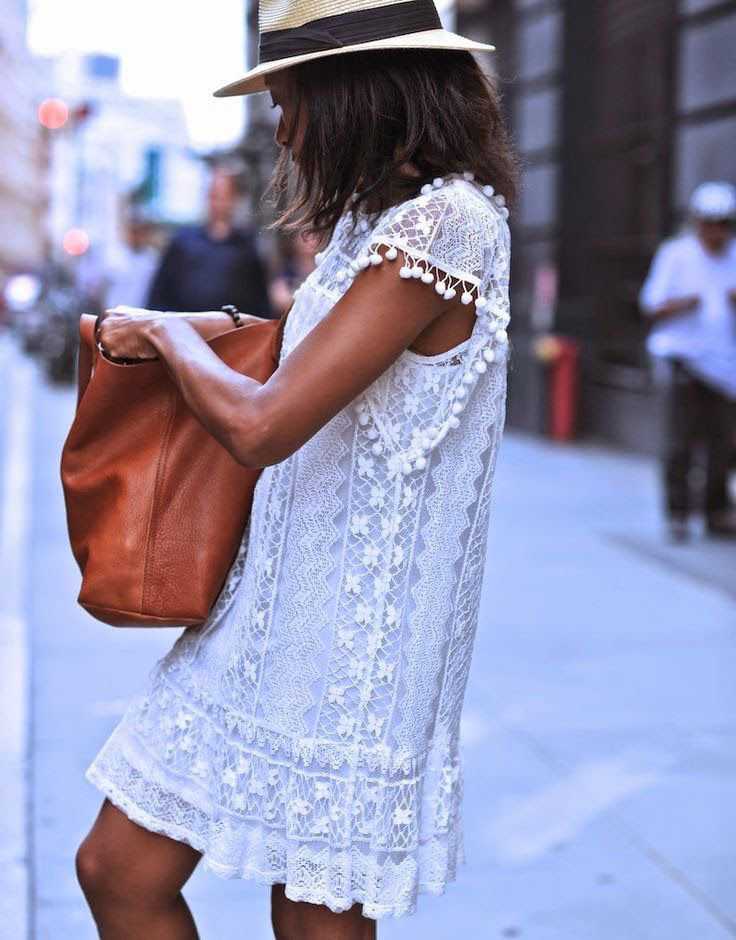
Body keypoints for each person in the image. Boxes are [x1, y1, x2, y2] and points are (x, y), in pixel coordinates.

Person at [75, 2, 516, 937]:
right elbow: (300, 361)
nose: (282, 126)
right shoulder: (375, 225)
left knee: (312, 919)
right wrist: (200, 336)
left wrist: (158, 331)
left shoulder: (449, 227)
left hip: (358, 643)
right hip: (266, 613)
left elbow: (264, 422)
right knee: (117, 869)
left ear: (354, 92)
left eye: (289, 99)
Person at [640, 182, 736, 542]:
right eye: (711, 222)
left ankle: (716, 510)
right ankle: (678, 511)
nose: (717, 231)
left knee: (723, 443)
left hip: (726, 366)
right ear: (698, 222)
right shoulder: (676, 255)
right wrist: (686, 303)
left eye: (724, 223)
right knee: (681, 441)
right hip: (684, 358)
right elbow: (651, 305)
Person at [146, 168, 273, 318]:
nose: (219, 203)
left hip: (232, 333)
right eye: (214, 196)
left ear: (234, 199)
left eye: (225, 196)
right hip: (184, 329)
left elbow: (260, 298)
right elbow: (159, 292)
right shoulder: (183, 241)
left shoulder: (246, 246)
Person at [105, 204, 159, 310]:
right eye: (134, 231)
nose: (137, 236)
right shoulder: (114, 255)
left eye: (141, 232)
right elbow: (103, 288)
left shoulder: (152, 259)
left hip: (144, 316)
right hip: (116, 314)